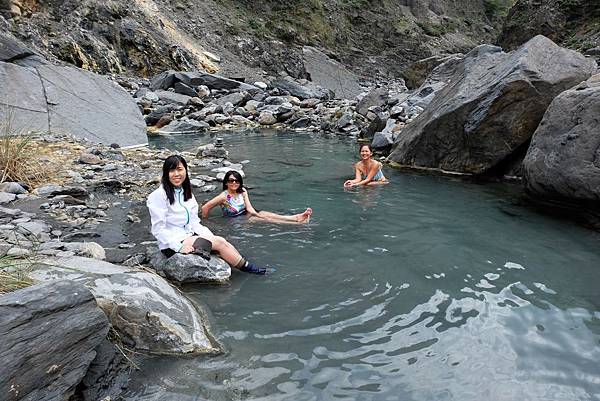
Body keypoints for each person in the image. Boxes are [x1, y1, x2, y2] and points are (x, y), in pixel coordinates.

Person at [146, 155, 267, 275]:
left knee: (220, 241)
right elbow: (158, 229)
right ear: (166, 173)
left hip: (188, 236)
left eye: (179, 169)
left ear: (186, 171)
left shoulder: (186, 194)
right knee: (219, 243)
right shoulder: (158, 196)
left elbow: (194, 223)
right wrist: (178, 247)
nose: (176, 174)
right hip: (172, 244)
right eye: (172, 170)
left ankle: (240, 263)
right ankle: (250, 269)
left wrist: (211, 237)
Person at [201, 170, 312, 223]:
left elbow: (249, 208)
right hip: (234, 220)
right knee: (262, 219)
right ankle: (296, 224)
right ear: (226, 182)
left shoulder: (242, 191)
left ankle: (295, 218)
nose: (234, 183)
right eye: (231, 181)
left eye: (237, 181)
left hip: (245, 214)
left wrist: (259, 215)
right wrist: (206, 223)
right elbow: (205, 208)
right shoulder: (223, 197)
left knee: (263, 214)